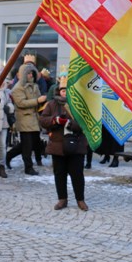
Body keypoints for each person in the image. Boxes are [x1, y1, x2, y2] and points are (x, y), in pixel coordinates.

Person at [40, 77, 89, 211]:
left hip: (76, 144)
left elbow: (85, 124)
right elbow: (43, 120)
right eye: (62, 90)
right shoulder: (51, 105)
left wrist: (68, 123)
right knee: (59, 173)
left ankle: (80, 199)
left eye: (67, 90)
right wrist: (55, 120)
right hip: (57, 144)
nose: (64, 93)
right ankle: (62, 199)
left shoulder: (79, 104)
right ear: (59, 91)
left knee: (77, 174)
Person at [8, 57, 47, 175]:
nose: (31, 75)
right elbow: (21, 103)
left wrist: (44, 103)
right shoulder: (17, 88)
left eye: (32, 73)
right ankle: (28, 168)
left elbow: (38, 100)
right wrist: (37, 101)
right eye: (29, 73)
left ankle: (8, 156)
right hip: (24, 119)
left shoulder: (34, 85)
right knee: (27, 146)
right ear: (23, 74)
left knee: (30, 144)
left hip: (34, 119)